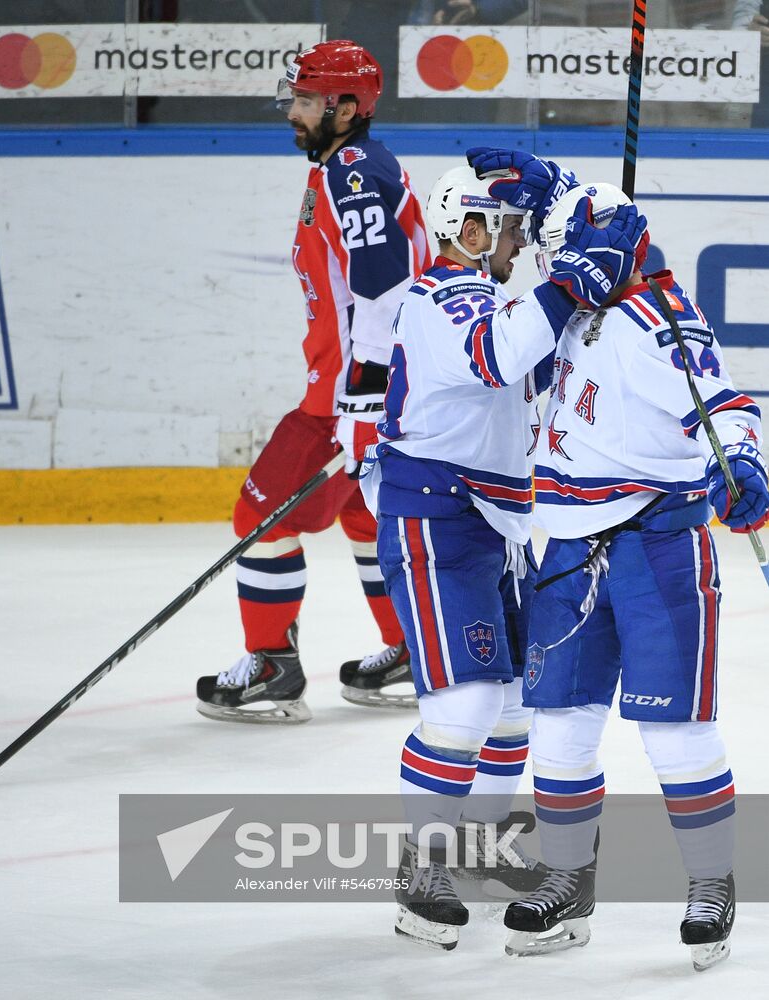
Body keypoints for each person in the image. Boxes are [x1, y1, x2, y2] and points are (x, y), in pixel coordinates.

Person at [467, 150, 769, 970]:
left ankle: (711, 882)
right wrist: (555, 187)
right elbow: (583, 237)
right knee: (560, 729)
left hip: (654, 545)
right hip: (563, 548)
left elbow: (724, 403)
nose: (550, 268)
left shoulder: (657, 319)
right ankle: (566, 879)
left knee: (675, 733)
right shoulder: (570, 302)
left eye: (562, 255)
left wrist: (741, 463)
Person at [362, 157, 644, 949]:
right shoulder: (437, 297)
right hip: (436, 520)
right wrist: (568, 284)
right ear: (468, 227)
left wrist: (569, 210)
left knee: (518, 705)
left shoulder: (495, 295)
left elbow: (544, 344)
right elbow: (499, 354)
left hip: (497, 525)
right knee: (464, 709)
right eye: (509, 226)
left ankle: (478, 853)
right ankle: (420, 874)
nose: (520, 243)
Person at [195, 41, 431, 724]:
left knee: (257, 518)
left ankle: (271, 664)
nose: (292, 113)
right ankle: (410, 650)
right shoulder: (343, 165)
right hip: (367, 387)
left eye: (305, 101)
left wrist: (363, 394)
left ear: (346, 106)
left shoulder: (350, 174)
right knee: (364, 514)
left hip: (345, 396)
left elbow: (384, 286)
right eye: (294, 98)